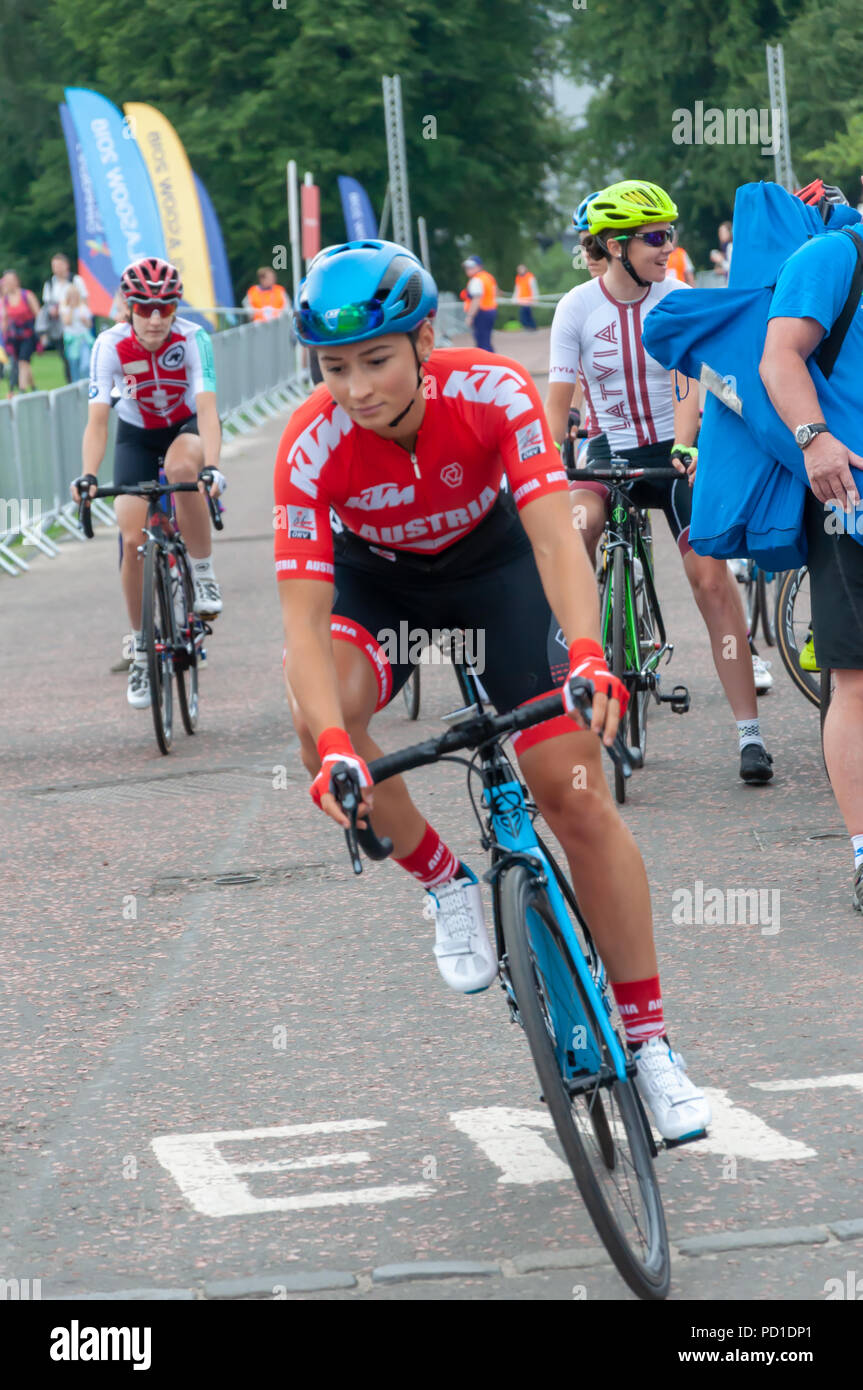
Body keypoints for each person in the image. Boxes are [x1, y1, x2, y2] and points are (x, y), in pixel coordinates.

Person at [276, 237, 711, 1141]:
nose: (356, 388)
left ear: (425, 340)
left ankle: (653, 1044)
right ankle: (446, 885)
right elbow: (302, 628)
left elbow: (555, 539)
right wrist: (327, 753)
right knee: (327, 717)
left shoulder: (493, 392)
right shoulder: (310, 446)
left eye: (376, 361)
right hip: (380, 587)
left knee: (574, 796)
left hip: (500, 573)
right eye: (333, 367)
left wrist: (588, 652)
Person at [545, 179, 774, 785]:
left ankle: (749, 735)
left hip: (673, 450)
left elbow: (687, 380)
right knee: (576, 527)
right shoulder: (576, 307)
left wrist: (685, 441)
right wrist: (547, 463)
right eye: (653, 237)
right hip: (607, 448)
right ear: (615, 246)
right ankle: (579, 675)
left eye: (669, 234)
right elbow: (558, 398)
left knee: (709, 578)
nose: (666, 246)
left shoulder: (677, 297)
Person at [760, 181, 863, 909]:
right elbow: (779, 357)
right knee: (856, 680)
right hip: (850, 499)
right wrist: (814, 437)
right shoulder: (832, 256)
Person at [71, 257, 225, 710]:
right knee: (132, 534)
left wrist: (212, 466)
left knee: (182, 472)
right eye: (145, 308)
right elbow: (97, 423)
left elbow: (209, 408)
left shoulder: (193, 338)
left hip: (184, 427)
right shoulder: (109, 346)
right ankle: (141, 647)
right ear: (128, 307)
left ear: (176, 306)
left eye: (166, 307)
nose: (156, 319)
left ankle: (203, 573)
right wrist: (88, 475)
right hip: (135, 436)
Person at [41, 253, 88, 382]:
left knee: (82, 358)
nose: (57, 268)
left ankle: (82, 382)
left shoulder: (76, 280)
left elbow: (84, 299)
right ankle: (71, 382)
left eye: (59, 265)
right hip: (58, 326)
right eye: (54, 266)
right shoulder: (50, 284)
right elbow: (47, 305)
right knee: (66, 357)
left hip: (77, 323)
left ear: (66, 265)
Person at [0, 271, 40, 394]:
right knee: (23, 363)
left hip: (29, 334)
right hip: (14, 337)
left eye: (10, 280)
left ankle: (22, 390)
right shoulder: (5, 299)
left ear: (16, 281)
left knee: (23, 361)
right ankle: (33, 387)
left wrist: (41, 335)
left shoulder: (27, 295)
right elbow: (5, 319)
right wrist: (4, 335)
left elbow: (38, 314)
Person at [461, 255, 498, 351]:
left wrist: (470, 316)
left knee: (482, 344)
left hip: (481, 313)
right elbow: (495, 292)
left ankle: (488, 364)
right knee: (486, 341)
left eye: (471, 267)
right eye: (467, 267)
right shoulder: (488, 277)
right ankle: (491, 362)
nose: (468, 269)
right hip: (490, 311)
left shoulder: (476, 280)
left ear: (479, 266)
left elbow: (476, 299)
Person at [60, 285, 94, 382]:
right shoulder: (65, 309)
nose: (73, 298)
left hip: (83, 339)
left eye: (75, 296)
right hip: (72, 340)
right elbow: (67, 322)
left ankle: (87, 384)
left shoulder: (83, 308)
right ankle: (76, 387)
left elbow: (89, 324)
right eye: (71, 296)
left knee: (85, 364)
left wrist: (85, 320)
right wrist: (71, 308)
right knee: (74, 364)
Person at [512, 263, 539, 330]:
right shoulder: (518, 278)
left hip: (529, 300)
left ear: (525, 269)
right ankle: (530, 327)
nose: (520, 271)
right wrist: (514, 299)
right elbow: (517, 289)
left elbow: (534, 289)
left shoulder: (530, 277)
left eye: (521, 269)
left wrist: (535, 299)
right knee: (525, 314)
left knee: (525, 314)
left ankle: (531, 327)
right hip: (522, 300)